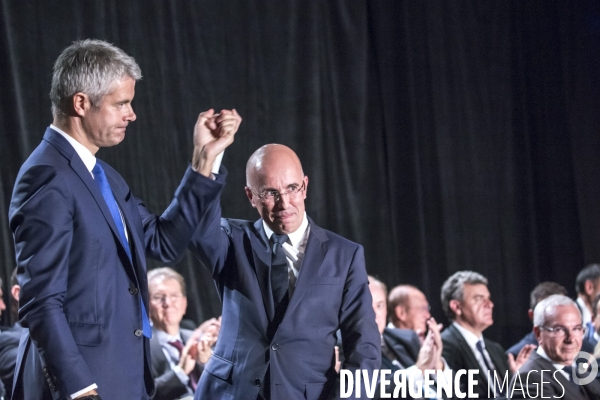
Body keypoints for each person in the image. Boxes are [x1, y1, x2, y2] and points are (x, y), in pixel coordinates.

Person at [8, 39, 241, 399]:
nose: (131, 114)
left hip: (124, 380)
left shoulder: (106, 177)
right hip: (84, 385)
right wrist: (81, 390)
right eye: (121, 104)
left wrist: (204, 159)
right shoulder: (47, 176)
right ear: (81, 103)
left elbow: (163, 242)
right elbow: (40, 302)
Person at [189, 143, 380, 399]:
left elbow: (364, 346)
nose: (284, 203)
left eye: (292, 188)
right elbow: (195, 222)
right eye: (270, 192)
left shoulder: (344, 255)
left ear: (305, 186)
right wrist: (209, 159)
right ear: (250, 196)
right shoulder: (230, 241)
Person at [440, 271, 534, 398]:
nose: (490, 304)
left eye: (488, 298)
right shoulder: (444, 347)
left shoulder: (495, 349)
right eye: (479, 299)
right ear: (457, 306)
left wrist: (517, 378)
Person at [369, 276, 450, 399]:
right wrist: (419, 369)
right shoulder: (341, 348)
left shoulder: (407, 339)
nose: (375, 314)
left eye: (380, 306)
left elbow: (453, 391)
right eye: (366, 305)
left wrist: (436, 363)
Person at [148, 267, 219, 400]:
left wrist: (206, 362)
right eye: (158, 297)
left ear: (184, 303)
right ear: (146, 306)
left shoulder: (195, 337)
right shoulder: (140, 348)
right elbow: (142, 394)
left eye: (174, 296)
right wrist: (181, 371)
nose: (168, 303)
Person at [510, 294, 600, 399]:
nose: (570, 339)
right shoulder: (530, 379)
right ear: (538, 333)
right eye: (559, 329)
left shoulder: (575, 368)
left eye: (576, 328)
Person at [506, 281, 567, 357]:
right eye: (547, 312)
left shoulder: (581, 346)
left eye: (562, 311)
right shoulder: (516, 356)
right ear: (532, 315)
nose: (556, 318)